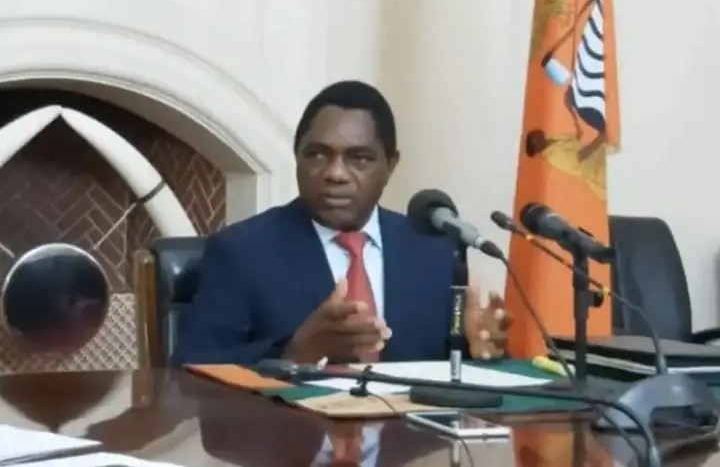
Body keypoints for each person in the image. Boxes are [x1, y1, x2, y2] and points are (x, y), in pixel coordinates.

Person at [173, 80, 511, 366]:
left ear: (390, 165)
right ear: (297, 156)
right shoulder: (242, 252)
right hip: (290, 426)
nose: (335, 174)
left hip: (407, 427)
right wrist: (294, 353)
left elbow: (449, 374)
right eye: (318, 155)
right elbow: (189, 374)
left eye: (359, 159)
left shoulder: (432, 251)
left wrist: (474, 349)